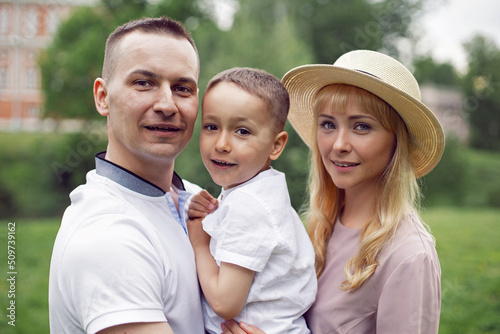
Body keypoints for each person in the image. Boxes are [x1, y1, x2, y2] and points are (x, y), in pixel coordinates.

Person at [223, 50, 443, 334]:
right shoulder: (319, 227)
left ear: (396, 142)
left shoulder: (409, 256)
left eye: (361, 126)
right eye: (328, 124)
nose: (338, 144)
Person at [48, 17, 205, 334]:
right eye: (144, 83)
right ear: (102, 97)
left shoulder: (193, 198)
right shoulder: (107, 235)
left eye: (182, 88)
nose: (166, 104)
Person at [187, 67, 317, 334]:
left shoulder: (249, 205)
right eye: (211, 126)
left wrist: (200, 243)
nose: (221, 144)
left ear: (276, 145)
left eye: (242, 131)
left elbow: (225, 302)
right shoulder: (257, 191)